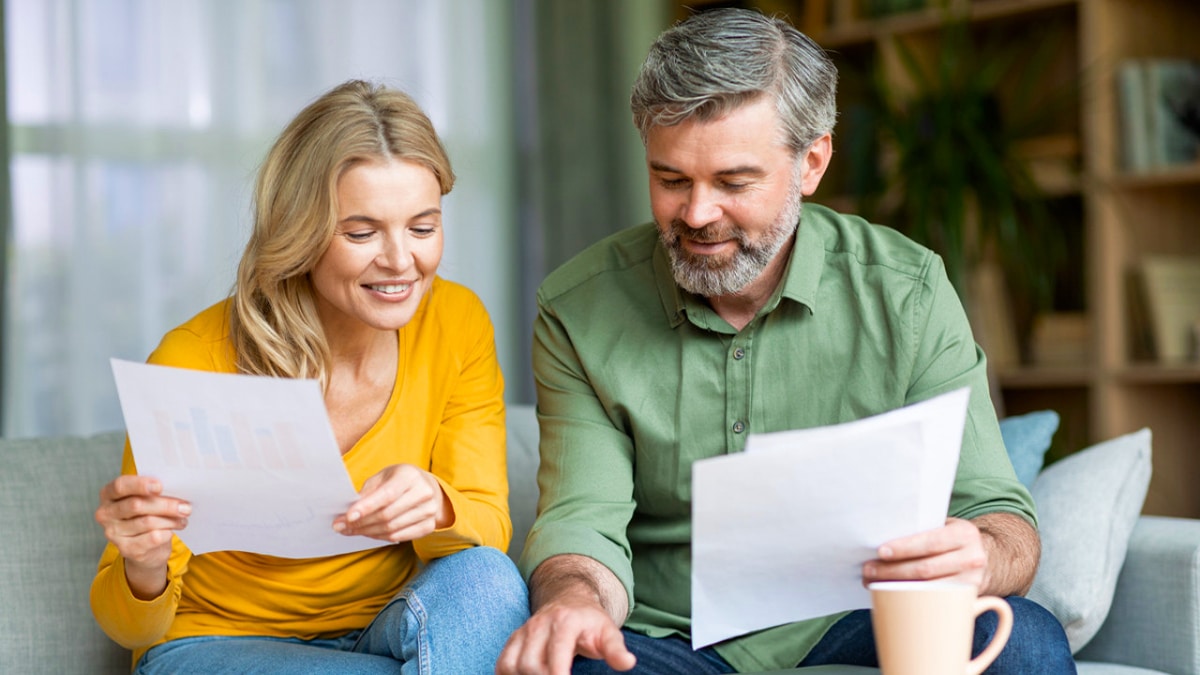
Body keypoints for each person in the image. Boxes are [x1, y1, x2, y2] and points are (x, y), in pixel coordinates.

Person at [496, 9, 1075, 675]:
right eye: (671, 179)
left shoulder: (906, 291)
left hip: (860, 618)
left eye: (734, 182)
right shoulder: (579, 309)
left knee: (1024, 643)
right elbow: (582, 521)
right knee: (578, 662)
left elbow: (1001, 519)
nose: (697, 214)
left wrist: (980, 551)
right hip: (670, 636)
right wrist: (575, 601)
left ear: (812, 162)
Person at [91, 79, 529, 675]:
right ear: (301, 234)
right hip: (218, 645)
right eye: (361, 232)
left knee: (487, 578)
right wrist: (143, 563)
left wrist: (438, 506)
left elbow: (489, 526)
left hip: (390, 628)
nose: (402, 260)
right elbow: (130, 628)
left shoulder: (457, 323)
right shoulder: (195, 359)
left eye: (422, 228)